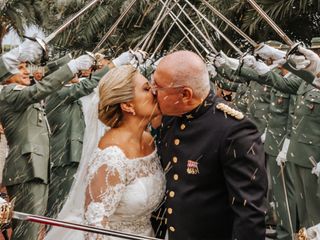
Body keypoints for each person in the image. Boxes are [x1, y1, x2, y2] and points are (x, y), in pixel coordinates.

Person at [152, 50, 268, 240]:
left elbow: (250, 213)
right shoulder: (171, 118)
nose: (152, 90)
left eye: (158, 86)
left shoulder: (233, 131)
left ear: (185, 94)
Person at [45, 65, 165, 240]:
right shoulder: (112, 156)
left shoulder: (148, 141)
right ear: (127, 105)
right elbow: (95, 227)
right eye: (146, 89)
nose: (154, 92)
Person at [0, 39, 94, 240]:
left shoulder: (19, 96)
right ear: (6, 76)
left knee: (32, 232)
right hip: (27, 169)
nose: (26, 72)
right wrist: (72, 67)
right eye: (20, 68)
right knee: (27, 234)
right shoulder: (9, 94)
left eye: (26, 67)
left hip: (35, 169)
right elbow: (41, 89)